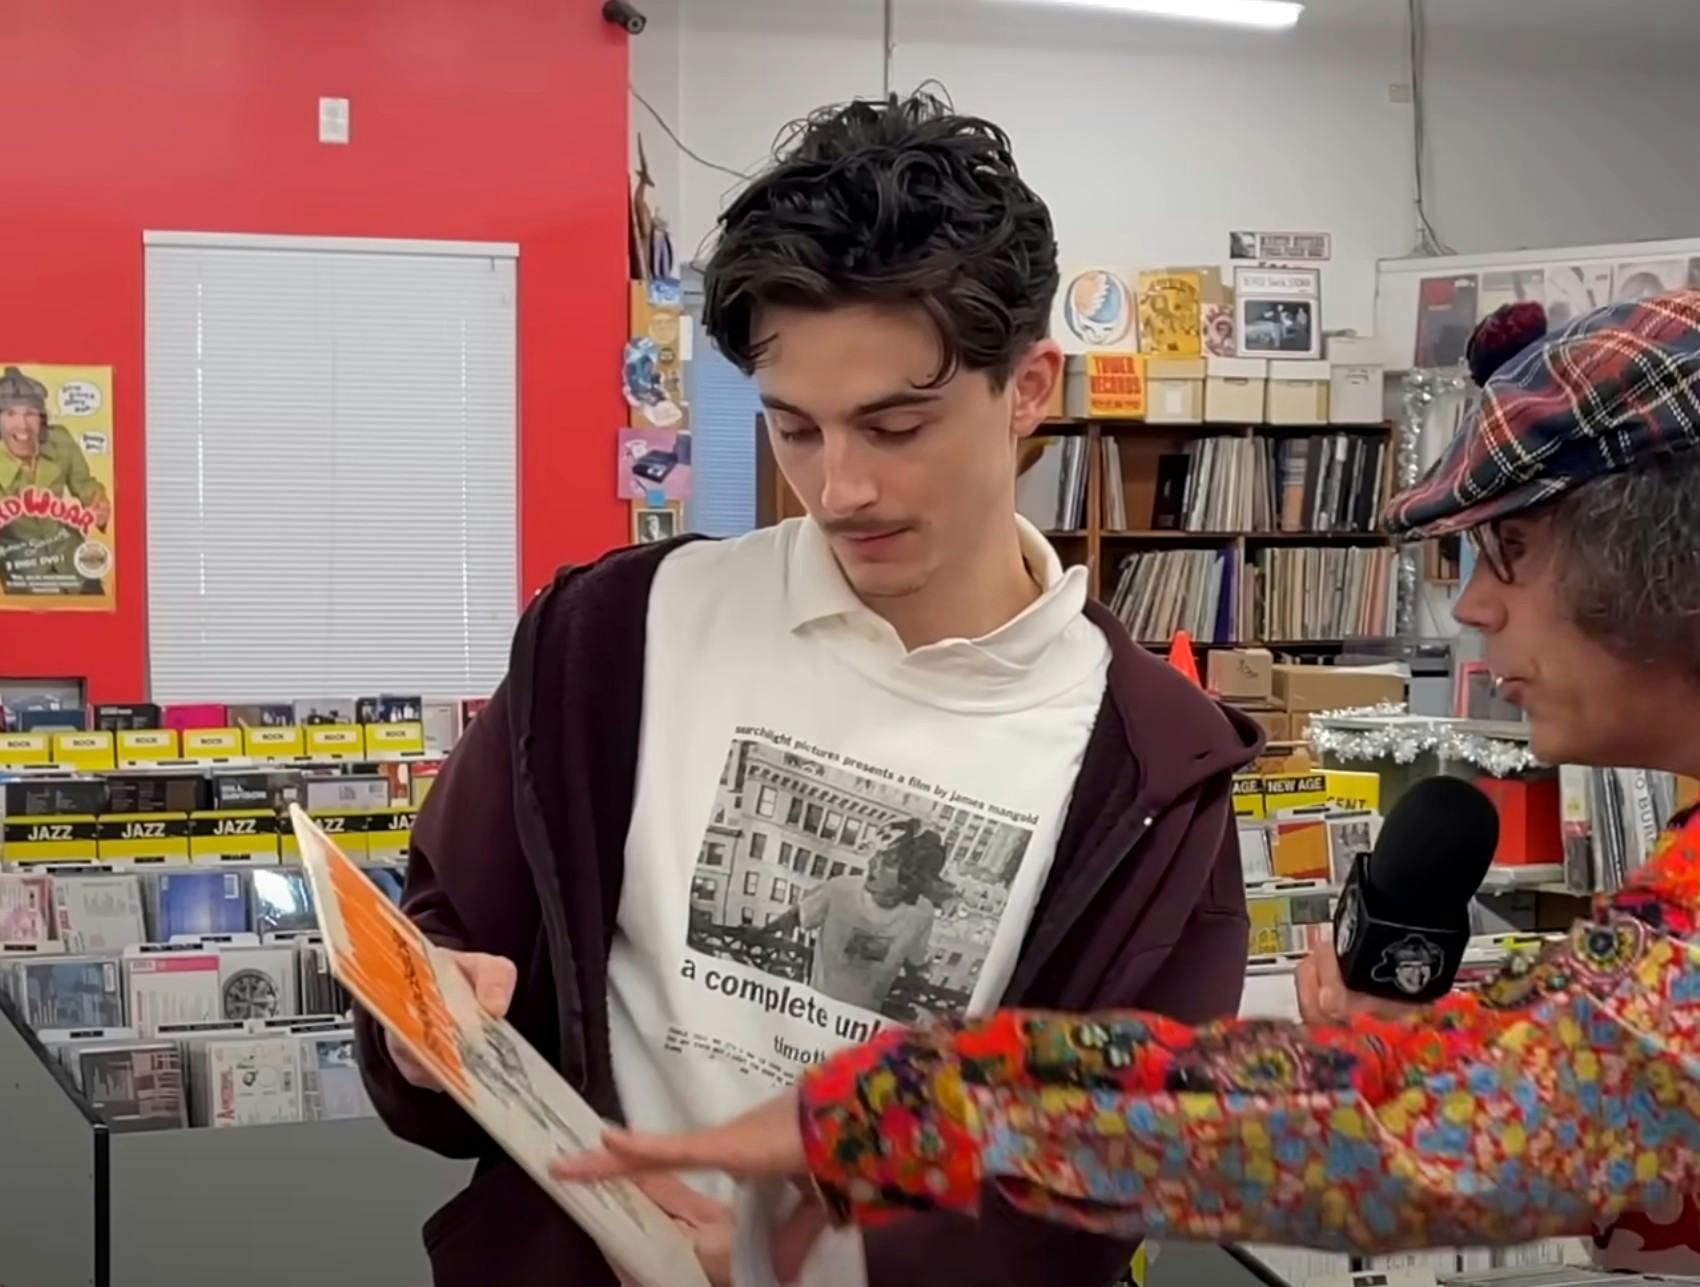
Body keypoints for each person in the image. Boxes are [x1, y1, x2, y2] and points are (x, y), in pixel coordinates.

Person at [561, 291, 1700, 1287]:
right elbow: (1620, 1106)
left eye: (1508, 556)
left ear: (1681, 561)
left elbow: (1436, 1143)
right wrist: (1455, 1063)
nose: (1471, 612)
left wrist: (908, 1100)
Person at [358, 89, 1262, 1287]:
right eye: (796, 429)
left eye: (897, 427)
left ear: (1031, 389)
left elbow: (1108, 1173)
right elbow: (450, 931)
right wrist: (429, 1027)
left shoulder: (1150, 770)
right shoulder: (613, 633)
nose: (839, 490)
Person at [768, 821, 946, 1014]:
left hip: (862, 1021)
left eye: (887, 861)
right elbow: (796, 916)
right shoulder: (840, 889)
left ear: (911, 878)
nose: (872, 863)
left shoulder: (922, 913)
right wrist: (763, 935)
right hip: (814, 1010)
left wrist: (919, 984)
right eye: (876, 855)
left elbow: (914, 959)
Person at [0, 366, 111, 597]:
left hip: (76, 563)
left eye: (30, 413)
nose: (22, 425)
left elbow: (85, 484)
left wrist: (98, 501)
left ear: (42, 419)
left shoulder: (60, 441)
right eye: (10, 414)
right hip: (26, 574)